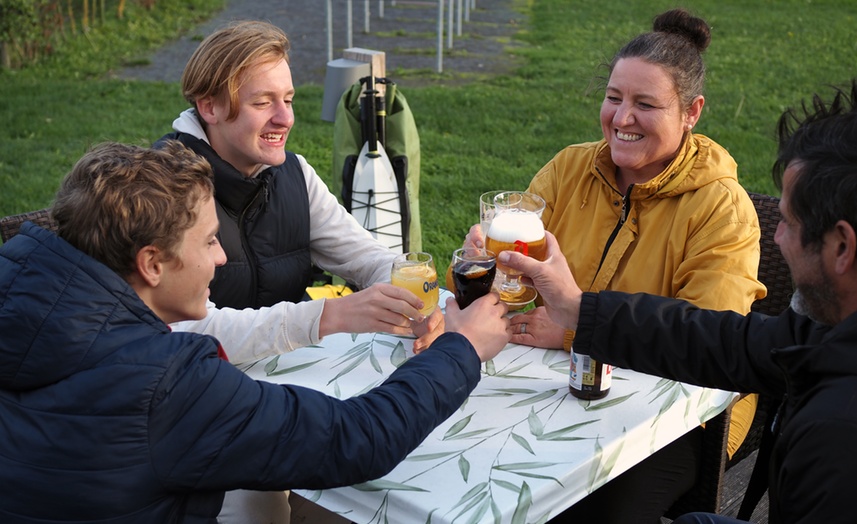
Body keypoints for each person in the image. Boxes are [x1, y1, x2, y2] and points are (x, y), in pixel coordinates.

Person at [0, 141, 511, 524]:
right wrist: (461, 349)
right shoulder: (168, 384)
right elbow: (357, 438)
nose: (220, 258)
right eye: (208, 243)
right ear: (152, 264)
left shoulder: (21, 302)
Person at [500, 79, 857, 524]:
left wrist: (572, 325)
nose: (776, 235)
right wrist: (580, 310)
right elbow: (721, 338)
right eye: (613, 98)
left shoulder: (844, 436)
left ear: (842, 247)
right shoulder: (829, 338)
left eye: (788, 222)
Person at [467, 9, 764, 522]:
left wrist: (569, 330)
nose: (621, 119)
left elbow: (708, 344)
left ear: (692, 112)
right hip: (557, 380)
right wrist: (489, 265)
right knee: (477, 463)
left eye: (645, 104)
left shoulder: (721, 208)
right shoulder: (570, 168)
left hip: (678, 418)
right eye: (613, 98)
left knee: (589, 508)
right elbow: (521, 286)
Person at [156, 20, 442, 365]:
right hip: (190, 388)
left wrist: (417, 302)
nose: (285, 118)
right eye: (263, 103)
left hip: (279, 376)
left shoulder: (294, 174)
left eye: (288, 100)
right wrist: (327, 316)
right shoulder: (161, 187)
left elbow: (366, 256)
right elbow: (184, 330)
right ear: (209, 107)